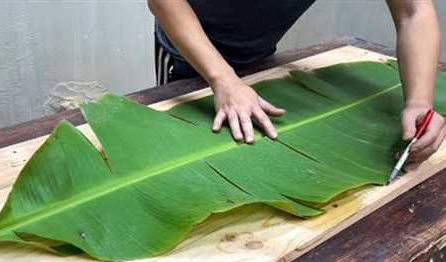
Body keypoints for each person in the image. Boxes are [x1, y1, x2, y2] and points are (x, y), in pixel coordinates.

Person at [148, 0, 445, 163]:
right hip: (190, 54)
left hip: (259, 50)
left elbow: (414, 11)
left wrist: (419, 100)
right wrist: (223, 79)